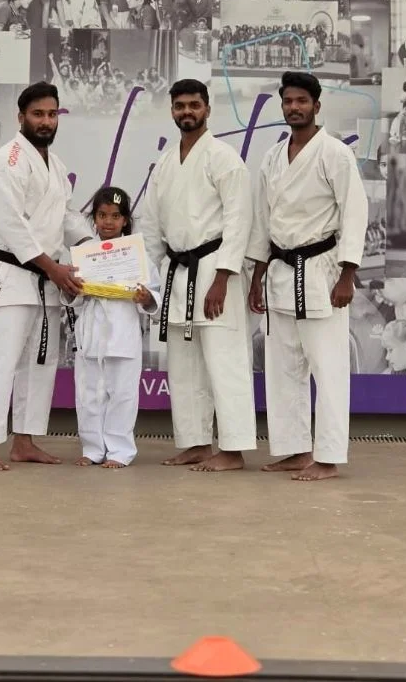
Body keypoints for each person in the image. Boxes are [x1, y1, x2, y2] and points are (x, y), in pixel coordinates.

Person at [247, 71, 369, 481]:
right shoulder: (272, 157)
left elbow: (354, 214)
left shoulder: (335, 153)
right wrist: (256, 276)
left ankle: (328, 457)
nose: (294, 107)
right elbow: (263, 221)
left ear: (317, 105)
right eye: (288, 101)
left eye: (302, 101)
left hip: (321, 272)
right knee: (283, 368)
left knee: (328, 368)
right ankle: (295, 449)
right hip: (280, 272)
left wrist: (347, 275)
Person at [0, 82, 94, 470]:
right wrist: (54, 269)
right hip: (12, 275)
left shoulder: (54, 164)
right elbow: (11, 225)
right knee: (0, 361)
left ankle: (24, 441)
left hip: (46, 280)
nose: (46, 121)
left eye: (52, 114)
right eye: (38, 114)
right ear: (20, 117)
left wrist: (94, 245)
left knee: (40, 362)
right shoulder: (6, 161)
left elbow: (65, 217)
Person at [138, 78, 256, 472]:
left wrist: (223, 276)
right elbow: (152, 225)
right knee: (183, 367)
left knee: (225, 363)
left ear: (207, 108)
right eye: (180, 106)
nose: (187, 112)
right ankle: (195, 442)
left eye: (194, 105)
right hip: (177, 273)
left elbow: (239, 219)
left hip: (214, 270)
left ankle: (233, 449)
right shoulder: (165, 163)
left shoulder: (224, 158)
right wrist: (149, 277)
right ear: (172, 110)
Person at [68, 187, 162, 467]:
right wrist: (73, 289)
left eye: (115, 216)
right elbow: (71, 295)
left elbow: (153, 293)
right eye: (102, 215)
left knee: (122, 395)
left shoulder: (137, 255)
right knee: (88, 395)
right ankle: (92, 448)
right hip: (90, 333)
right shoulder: (84, 254)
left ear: (125, 220)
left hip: (123, 332)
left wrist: (146, 298)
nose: (108, 222)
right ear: (94, 218)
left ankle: (120, 451)